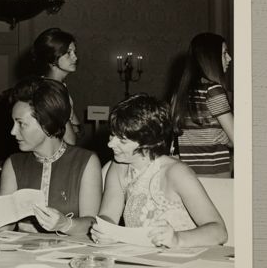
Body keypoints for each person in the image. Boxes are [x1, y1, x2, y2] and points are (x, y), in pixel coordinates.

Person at [92, 94, 227, 248]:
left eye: (122, 140)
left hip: (186, 260)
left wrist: (177, 239)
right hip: (143, 259)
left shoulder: (176, 173)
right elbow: (108, 215)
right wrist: (106, 231)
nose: (110, 144)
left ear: (147, 142)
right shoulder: (118, 166)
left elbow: (219, 231)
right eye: (112, 135)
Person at [0, 78, 102, 236]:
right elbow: (6, 224)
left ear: (46, 124)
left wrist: (65, 224)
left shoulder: (85, 161)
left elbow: (92, 224)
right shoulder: (13, 164)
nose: (13, 132)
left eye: (21, 124)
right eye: (13, 123)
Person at [170, 32, 234, 177]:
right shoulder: (213, 91)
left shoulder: (180, 93)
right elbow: (237, 139)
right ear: (210, 58)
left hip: (188, 175)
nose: (229, 58)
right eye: (224, 53)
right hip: (215, 173)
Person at [32, 27, 82, 145]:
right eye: (68, 53)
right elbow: (71, 139)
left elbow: (77, 128)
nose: (75, 57)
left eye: (75, 52)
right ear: (52, 57)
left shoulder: (59, 86)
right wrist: (75, 129)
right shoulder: (51, 91)